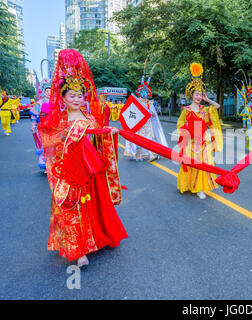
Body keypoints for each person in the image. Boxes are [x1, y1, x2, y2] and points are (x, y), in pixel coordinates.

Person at [39, 49, 128, 267]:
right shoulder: (58, 119)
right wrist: (65, 135)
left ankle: (94, 240)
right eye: (72, 95)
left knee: (92, 206)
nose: (77, 99)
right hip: (69, 171)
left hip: (90, 171)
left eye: (80, 95)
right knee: (72, 209)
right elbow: (48, 141)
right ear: (63, 97)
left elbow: (98, 138)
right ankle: (78, 251)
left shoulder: (89, 116)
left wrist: (109, 133)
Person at [177, 63, 222, 200]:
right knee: (192, 164)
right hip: (191, 141)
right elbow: (180, 124)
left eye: (200, 94)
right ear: (192, 95)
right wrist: (186, 130)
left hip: (203, 140)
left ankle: (200, 188)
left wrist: (207, 99)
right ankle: (191, 186)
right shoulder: (186, 110)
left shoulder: (205, 109)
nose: (198, 97)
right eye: (196, 94)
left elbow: (217, 106)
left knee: (204, 164)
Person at [124, 62, 168, 161]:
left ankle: (149, 155)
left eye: (146, 92)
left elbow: (153, 114)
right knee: (137, 139)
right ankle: (136, 154)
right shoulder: (136, 102)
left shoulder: (149, 103)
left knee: (148, 139)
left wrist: (152, 114)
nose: (144, 94)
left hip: (147, 125)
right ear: (139, 92)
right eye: (143, 92)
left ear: (148, 93)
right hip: (138, 124)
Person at [30, 75, 52, 172]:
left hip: (54, 127)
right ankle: (45, 165)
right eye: (47, 91)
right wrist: (33, 126)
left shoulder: (57, 102)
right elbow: (34, 116)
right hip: (43, 128)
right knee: (44, 146)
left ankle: (54, 165)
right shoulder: (39, 103)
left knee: (54, 146)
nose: (49, 93)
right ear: (44, 92)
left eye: (50, 90)